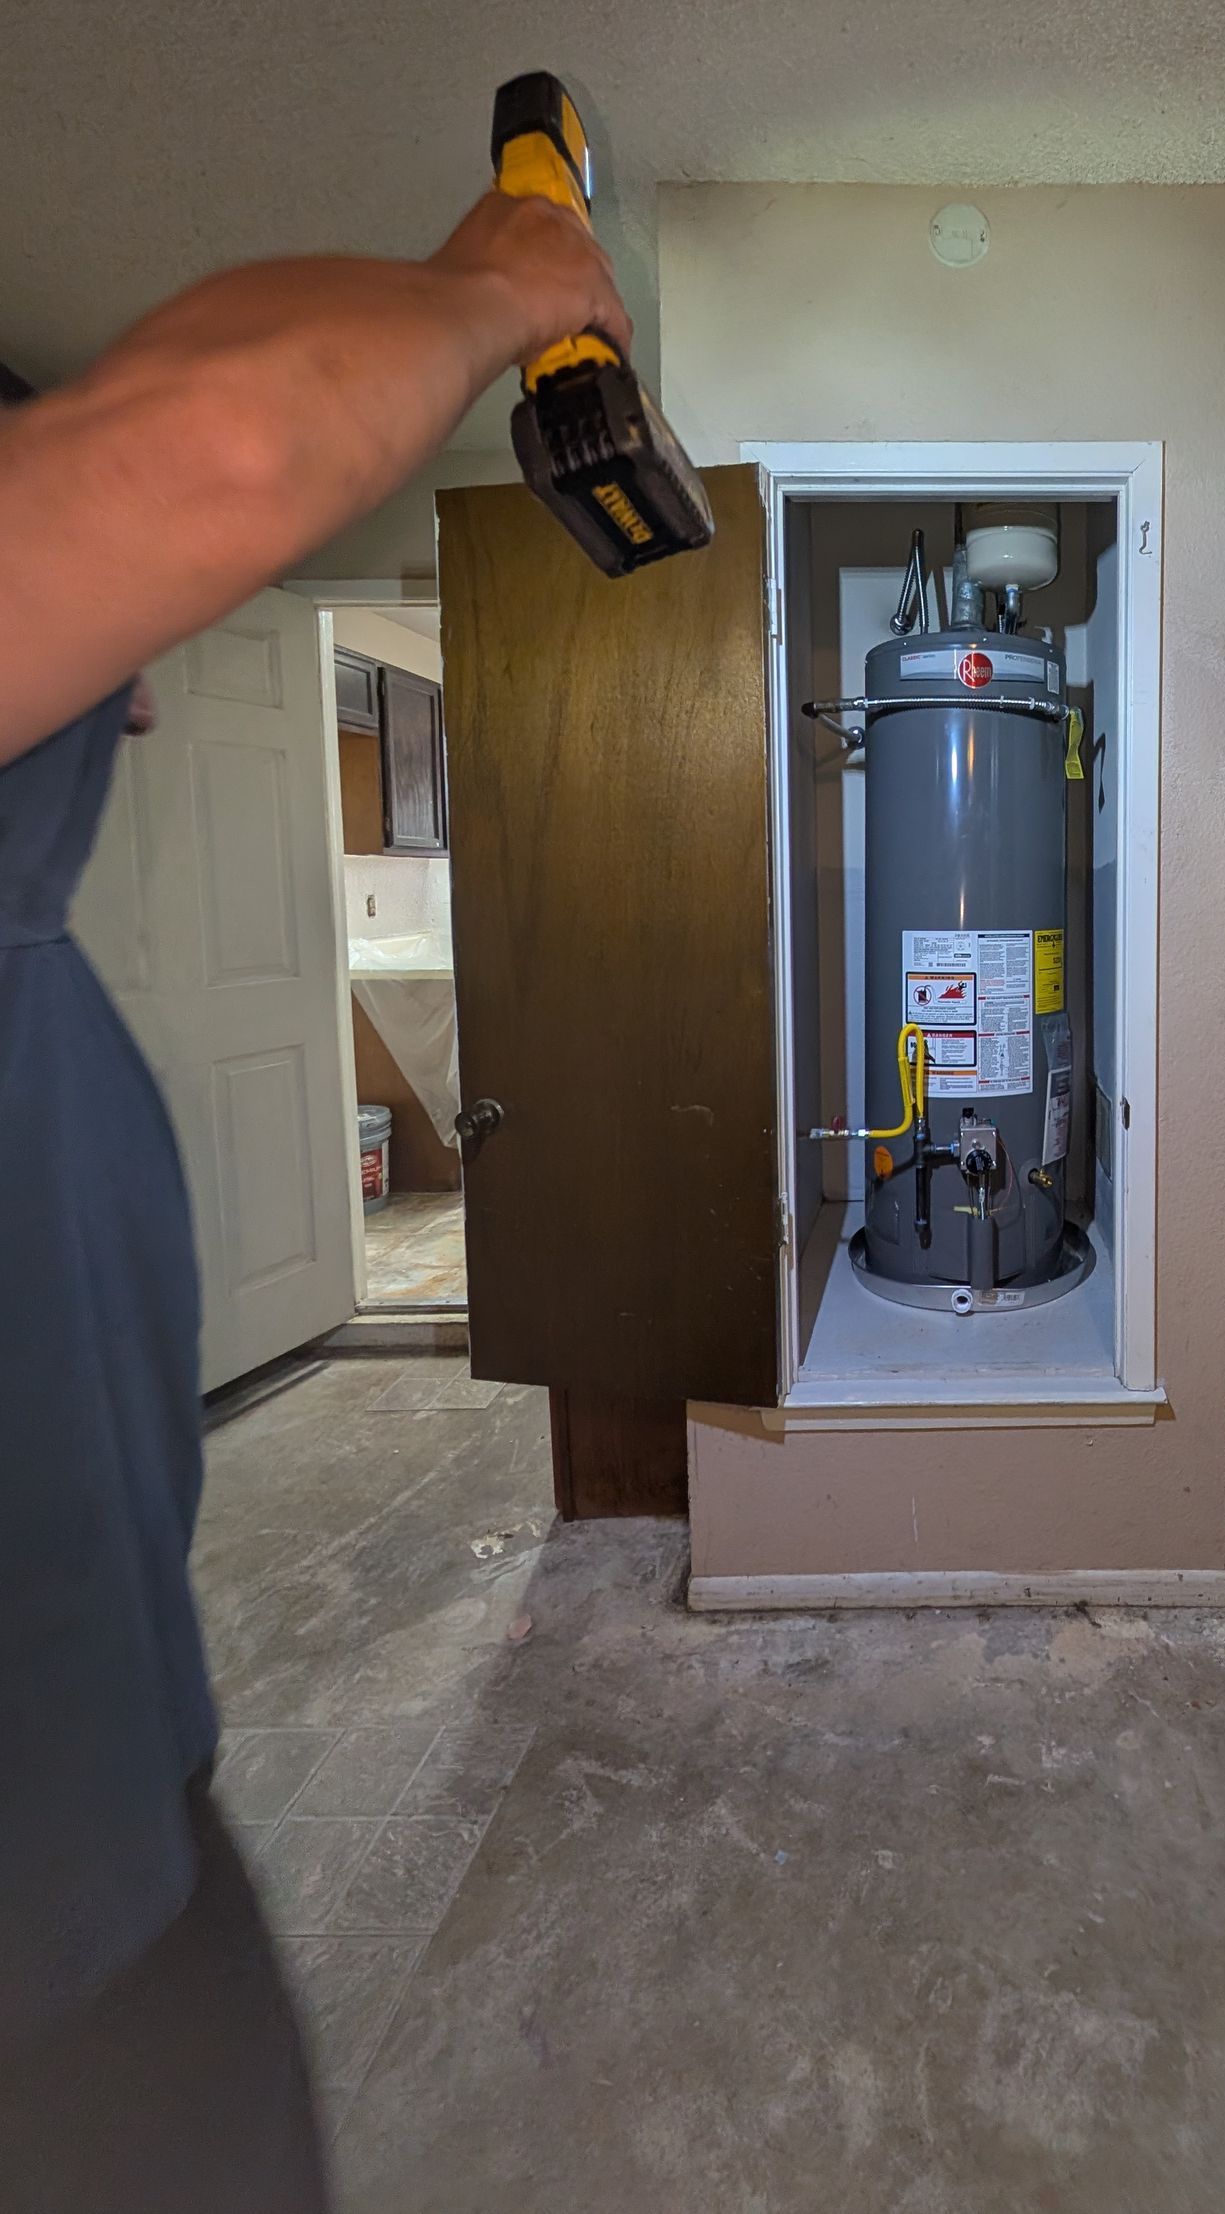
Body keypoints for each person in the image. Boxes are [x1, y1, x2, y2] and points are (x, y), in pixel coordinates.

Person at [0, 185, 630, 2208]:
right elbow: (227, 447)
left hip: (106, 1803)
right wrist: (504, 283)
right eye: (118, 642)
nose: (153, 693)